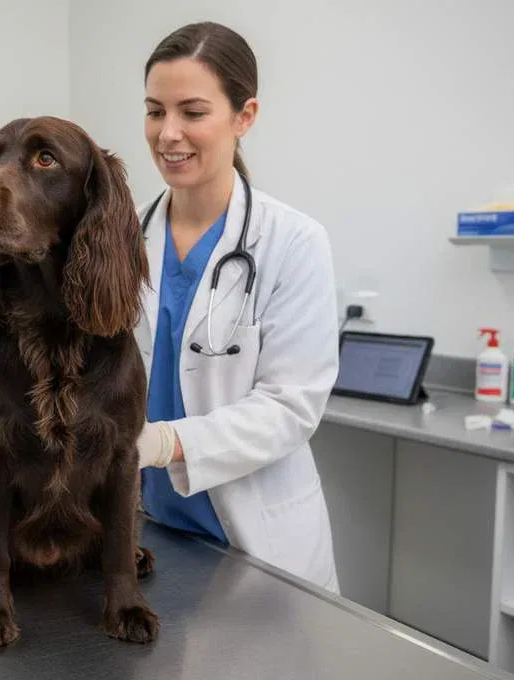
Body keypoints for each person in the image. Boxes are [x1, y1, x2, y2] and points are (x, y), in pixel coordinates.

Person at [132, 21, 342, 593]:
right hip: (148, 531)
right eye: (155, 111)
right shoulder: (122, 239)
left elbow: (291, 405)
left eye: (192, 112)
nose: (168, 134)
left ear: (244, 116)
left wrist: (167, 442)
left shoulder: (293, 241)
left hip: (255, 546)